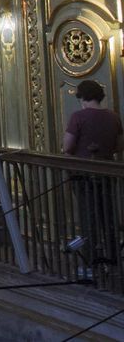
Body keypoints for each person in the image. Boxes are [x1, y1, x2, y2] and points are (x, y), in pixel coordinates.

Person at [64, 80, 122, 270]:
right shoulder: (113, 117)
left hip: (83, 174)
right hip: (107, 172)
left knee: (88, 217)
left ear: (82, 97)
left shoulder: (78, 117)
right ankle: (114, 259)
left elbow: (68, 147)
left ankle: (91, 261)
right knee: (108, 216)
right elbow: (120, 145)